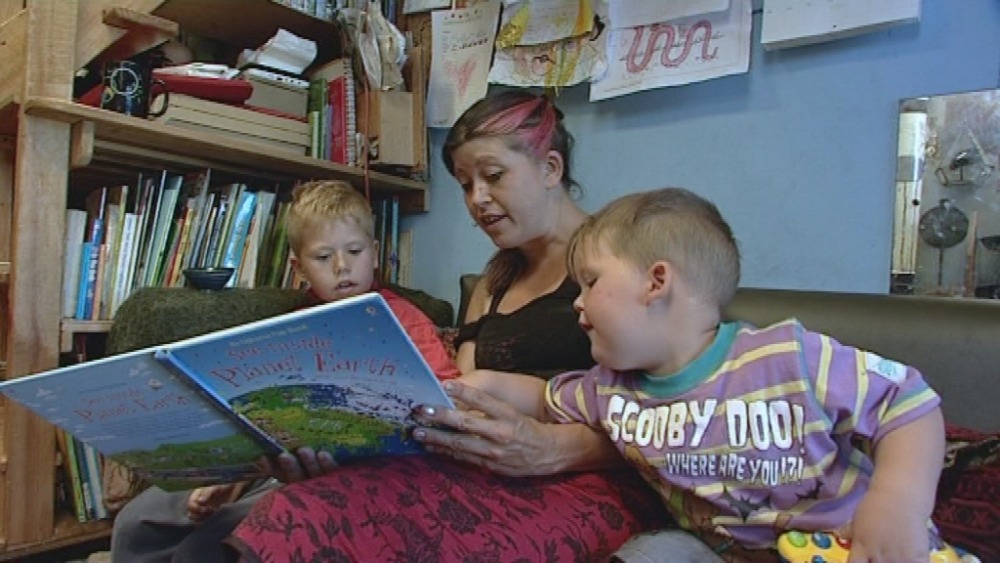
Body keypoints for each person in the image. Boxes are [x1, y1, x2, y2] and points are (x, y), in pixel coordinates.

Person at [227, 91, 672, 561]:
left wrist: (557, 447)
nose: (477, 199)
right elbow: (458, 402)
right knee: (303, 507)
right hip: (485, 470)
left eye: (493, 176)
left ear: (550, 168)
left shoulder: (621, 261)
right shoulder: (491, 287)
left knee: (313, 519)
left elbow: (683, 412)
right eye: (465, 184)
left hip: (589, 484)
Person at [467, 187, 956, 562]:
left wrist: (897, 506)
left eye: (590, 282)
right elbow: (542, 398)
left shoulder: (787, 356)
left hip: (856, 547)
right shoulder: (609, 389)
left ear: (657, 282)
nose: (577, 302)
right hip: (724, 553)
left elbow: (908, 403)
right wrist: (478, 385)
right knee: (655, 550)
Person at [110, 180, 459, 563]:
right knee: (135, 523)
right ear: (299, 267)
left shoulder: (406, 321)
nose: (342, 267)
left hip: (354, 469)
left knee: (211, 541)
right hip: (271, 462)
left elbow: (447, 398)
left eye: (354, 251)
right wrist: (231, 476)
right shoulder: (288, 329)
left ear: (375, 254)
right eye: (323, 257)